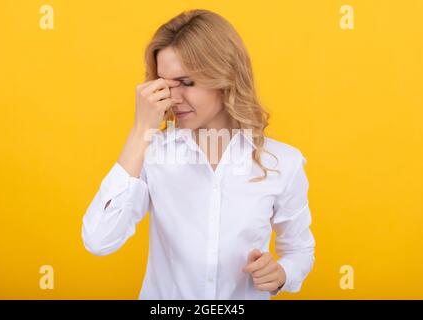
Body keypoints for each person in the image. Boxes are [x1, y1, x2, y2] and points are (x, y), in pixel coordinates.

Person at [81, 9, 315, 300]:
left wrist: (282, 274)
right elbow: (99, 240)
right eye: (166, 85)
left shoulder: (283, 163)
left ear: (226, 77)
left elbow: (299, 250)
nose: (174, 98)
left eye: (187, 83)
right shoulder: (151, 153)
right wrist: (141, 130)